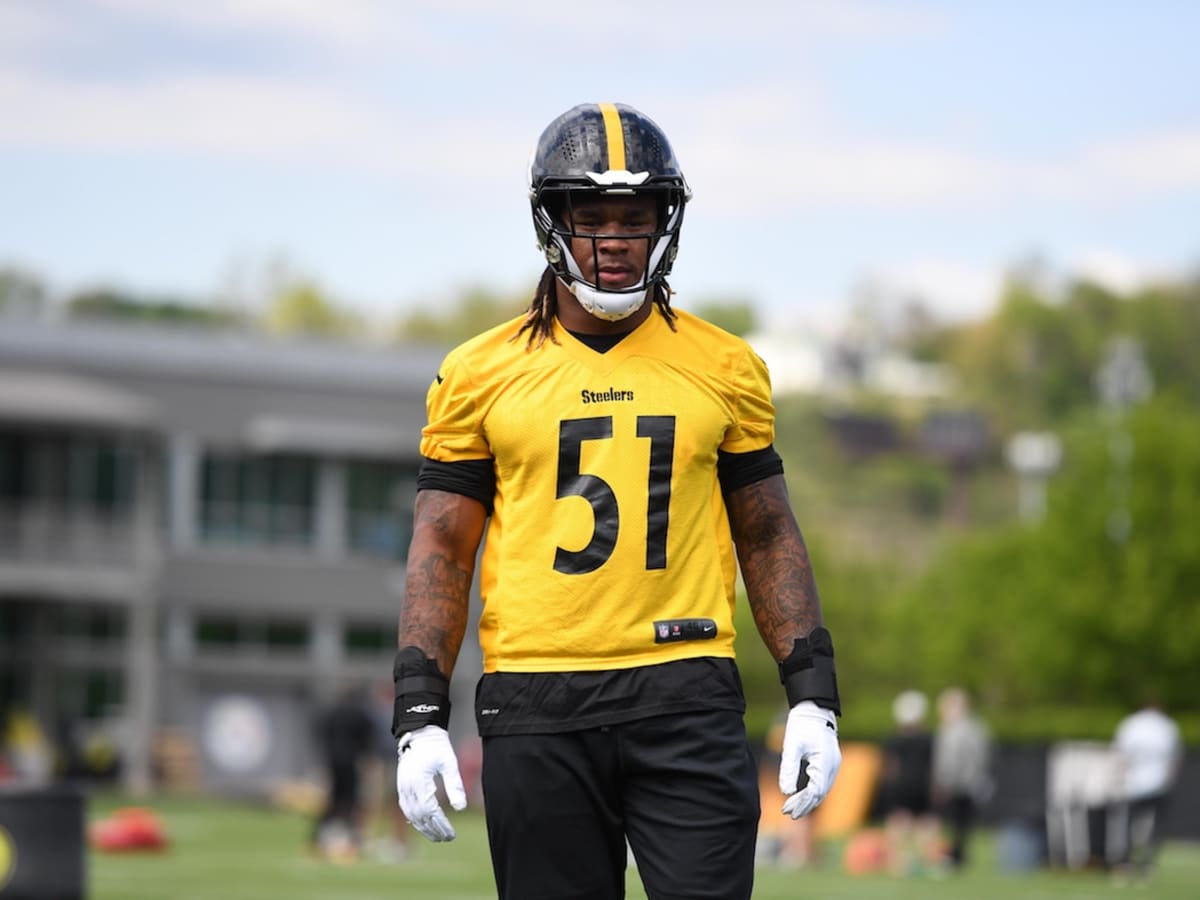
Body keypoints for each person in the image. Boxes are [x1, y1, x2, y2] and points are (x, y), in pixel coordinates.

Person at [391, 101, 843, 900]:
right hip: (536, 696)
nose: (614, 241)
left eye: (634, 218)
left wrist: (813, 694)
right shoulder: (478, 370)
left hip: (685, 686)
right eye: (591, 217)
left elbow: (767, 533)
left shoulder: (725, 363)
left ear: (665, 224)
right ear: (551, 223)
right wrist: (419, 709)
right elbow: (442, 547)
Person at [1110, 699, 1182, 883]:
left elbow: (1122, 755)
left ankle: (1125, 862)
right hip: (1158, 784)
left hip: (1133, 784)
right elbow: (1174, 758)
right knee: (1156, 827)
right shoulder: (1168, 726)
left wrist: (1119, 778)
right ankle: (1146, 863)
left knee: (1128, 825)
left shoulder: (1132, 724)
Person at [310, 683, 377, 861]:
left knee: (332, 800)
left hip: (332, 761)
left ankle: (317, 839)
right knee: (352, 801)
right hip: (351, 762)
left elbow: (319, 731)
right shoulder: (360, 713)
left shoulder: (331, 712)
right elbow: (367, 740)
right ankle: (353, 841)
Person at [877, 689, 939, 875]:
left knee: (899, 823)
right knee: (926, 824)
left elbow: (890, 768)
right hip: (923, 786)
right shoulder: (928, 739)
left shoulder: (894, 740)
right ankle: (932, 863)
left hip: (901, 787)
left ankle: (898, 863)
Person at [931, 686, 992, 871]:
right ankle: (956, 856)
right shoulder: (973, 728)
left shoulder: (961, 730)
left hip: (960, 784)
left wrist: (946, 781)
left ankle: (956, 857)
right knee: (959, 823)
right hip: (964, 782)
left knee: (959, 822)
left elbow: (956, 760)